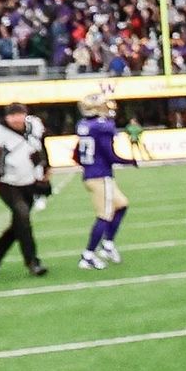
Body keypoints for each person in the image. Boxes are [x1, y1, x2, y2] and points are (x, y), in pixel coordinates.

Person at [0, 103, 49, 277]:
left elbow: (41, 148)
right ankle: (32, 262)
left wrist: (46, 171)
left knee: (19, 222)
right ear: (6, 117)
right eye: (13, 115)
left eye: (20, 114)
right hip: (6, 182)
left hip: (29, 180)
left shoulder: (35, 126)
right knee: (22, 215)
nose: (16, 119)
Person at [74, 91, 136, 269]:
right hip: (100, 176)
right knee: (104, 215)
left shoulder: (84, 124)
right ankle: (88, 256)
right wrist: (130, 161)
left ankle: (107, 244)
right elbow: (110, 156)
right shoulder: (102, 126)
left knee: (121, 204)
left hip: (92, 174)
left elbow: (77, 153)